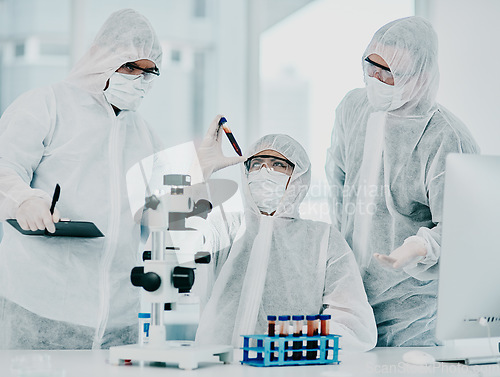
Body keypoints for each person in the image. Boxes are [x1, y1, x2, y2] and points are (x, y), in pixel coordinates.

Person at [0, 9, 168, 350]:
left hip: (120, 319)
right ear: (103, 58)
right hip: (39, 306)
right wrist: (25, 200)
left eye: (148, 72)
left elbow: (155, 215)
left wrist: (197, 178)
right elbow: (5, 166)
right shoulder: (47, 104)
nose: (138, 78)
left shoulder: (146, 135)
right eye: (129, 66)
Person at [325, 16, 479, 347]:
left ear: (421, 77)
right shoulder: (353, 108)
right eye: (372, 66)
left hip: (414, 317)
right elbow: (337, 178)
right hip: (348, 305)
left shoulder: (446, 137)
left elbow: (466, 229)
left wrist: (422, 247)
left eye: (390, 73)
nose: (377, 79)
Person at [195, 133, 377, 352]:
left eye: (278, 164)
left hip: (291, 366)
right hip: (218, 365)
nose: (264, 172)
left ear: (299, 178)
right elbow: (175, 249)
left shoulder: (322, 240)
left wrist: (289, 342)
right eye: (257, 164)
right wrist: (198, 176)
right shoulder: (223, 228)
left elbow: (354, 324)